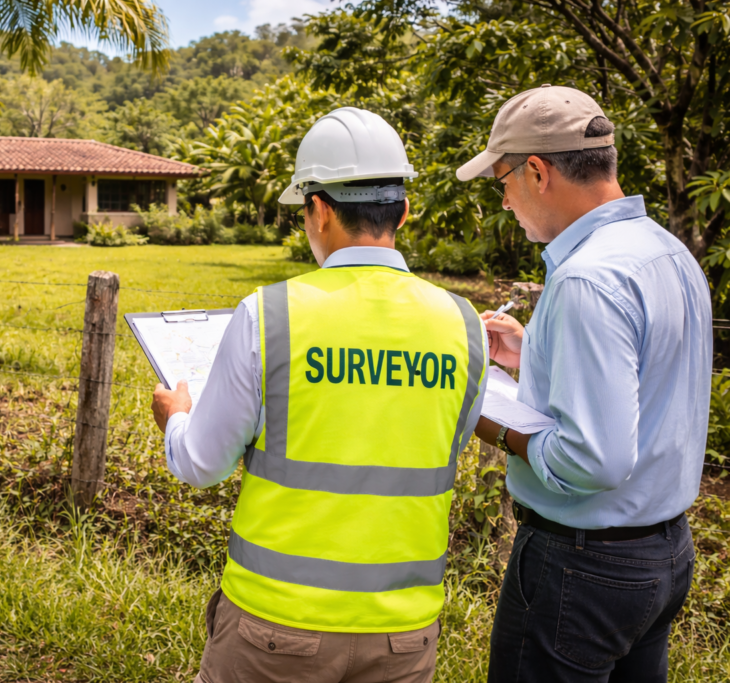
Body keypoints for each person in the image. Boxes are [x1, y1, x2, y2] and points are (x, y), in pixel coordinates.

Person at [150, 107, 487, 683]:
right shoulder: (464, 324)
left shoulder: (269, 314)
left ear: (320, 210)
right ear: (404, 210)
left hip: (274, 628)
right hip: (403, 636)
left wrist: (177, 418)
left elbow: (202, 464)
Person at [456, 84, 711, 682]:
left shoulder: (586, 279)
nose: (505, 202)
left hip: (582, 566)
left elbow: (592, 461)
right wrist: (534, 353)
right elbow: (649, 375)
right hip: (664, 554)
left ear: (537, 171)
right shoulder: (667, 252)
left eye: (502, 182)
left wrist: (491, 424)